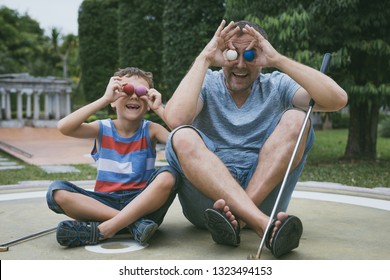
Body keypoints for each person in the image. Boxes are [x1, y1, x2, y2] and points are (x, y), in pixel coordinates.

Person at [163, 20, 348, 258]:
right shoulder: (206, 82)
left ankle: (238, 220)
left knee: (297, 120)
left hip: (260, 200)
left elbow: (337, 100)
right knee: (182, 136)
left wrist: (278, 59)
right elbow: (176, 119)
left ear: (261, 55)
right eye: (232, 54)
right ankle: (262, 224)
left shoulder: (277, 85)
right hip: (208, 208)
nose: (240, 64)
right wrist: (204, 58)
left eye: (250, 55)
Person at [46, 67, 179, 247]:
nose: (134, 96)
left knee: (169, 175)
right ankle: (133, 225)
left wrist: (160, 109)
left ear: (147, 102)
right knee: (57, 191)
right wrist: (104, 99)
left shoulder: (151, 130)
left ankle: (106, 229)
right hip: (105, 204)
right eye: (127, 90)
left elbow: (182, 143)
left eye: (141, 92)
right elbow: (64, 127)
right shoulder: (102, 128)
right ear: (114, 101)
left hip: (142, 203)